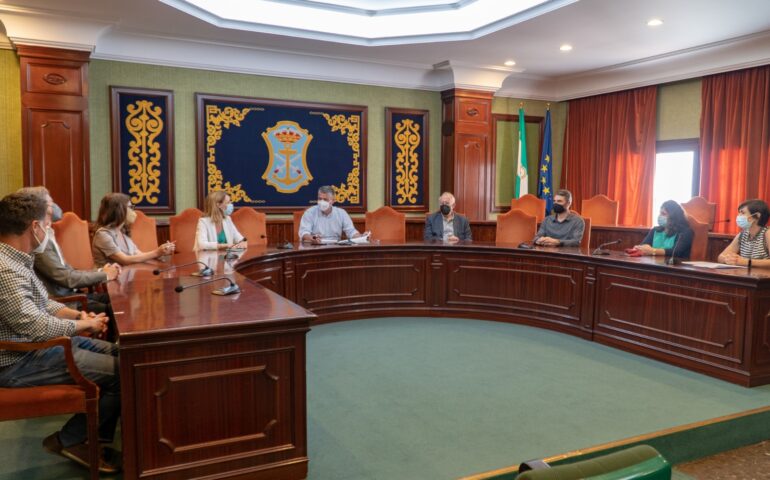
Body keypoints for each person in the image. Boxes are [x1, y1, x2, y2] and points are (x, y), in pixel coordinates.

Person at [0, 191, 121, 474]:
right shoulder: (6, 269)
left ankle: (92, 438)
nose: (49, 228)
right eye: (47, 223)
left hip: (39, 348)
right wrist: (84, 326)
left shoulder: (18, 259)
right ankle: (71, 440)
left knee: (123, 354)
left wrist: (79, 316)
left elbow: (44, 304)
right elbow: (34, 326)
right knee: (123, 372)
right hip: (19, 361)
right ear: (34, 226)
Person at [21, 187, 120, 316]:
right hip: (64, 302)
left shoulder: (47, 234)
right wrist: (104, 275)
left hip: (71, 294)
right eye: (50, 204)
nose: (54, 207)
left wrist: (101, 271)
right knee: (114, 309)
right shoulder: (38, 242)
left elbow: (69, 270)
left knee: (117, 298)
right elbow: (66, 278)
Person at [92, 192, 175, 267]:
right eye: (130, 207)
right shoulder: (103, 234)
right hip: (108, 278)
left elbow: (139, 255)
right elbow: (124, 260)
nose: (133, 211)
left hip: (125, 276)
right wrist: (157, 252)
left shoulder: (122, 232)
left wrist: (162, 251)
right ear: (119, 210)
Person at [299, 185, 366, 244]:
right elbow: (304, 233)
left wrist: (361, 237)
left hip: (335, 248)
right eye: (320, 199)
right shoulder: (310, 213)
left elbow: (351, 231)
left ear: (333, 200)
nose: (322, 202)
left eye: (325, 199)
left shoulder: (341, 213)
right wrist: (312, 238)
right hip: (315, 247)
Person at [718, 199, 770, 267]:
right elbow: (720, 257)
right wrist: (728, 259)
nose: (738, 216)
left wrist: (746, 262)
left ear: (757, 215)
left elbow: (744, 262)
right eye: (739, 212)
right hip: (745, 273)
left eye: (742, 213)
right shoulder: (742, 235)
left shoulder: (767, 233)